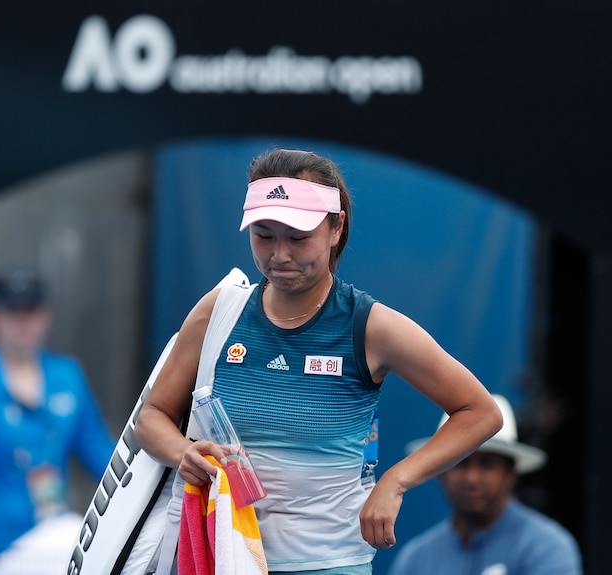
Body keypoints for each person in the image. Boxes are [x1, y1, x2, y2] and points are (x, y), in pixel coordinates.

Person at [134, 147, 503, 574]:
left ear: (335, 228)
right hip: (221, 559)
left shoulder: (370, 326)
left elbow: (479, 412)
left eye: (297, 236)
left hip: (328, 563)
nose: (279, 255)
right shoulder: (218, 311)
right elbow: (152, 417)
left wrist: (395, 482)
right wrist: (183, 452)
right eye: (264, 234)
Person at [0, 265, 116, 575]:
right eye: (11, 311)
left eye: (31, 310)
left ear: (46, 315)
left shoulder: (66, 376)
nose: (22, 321)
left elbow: (104, 456)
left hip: (50, 535)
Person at [388, 394, 583, 575]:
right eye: (460, 462)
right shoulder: (415, 559)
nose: (472, 478)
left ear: (510, 474)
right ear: (440, 472)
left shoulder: (546, 546)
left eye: (487, 464)